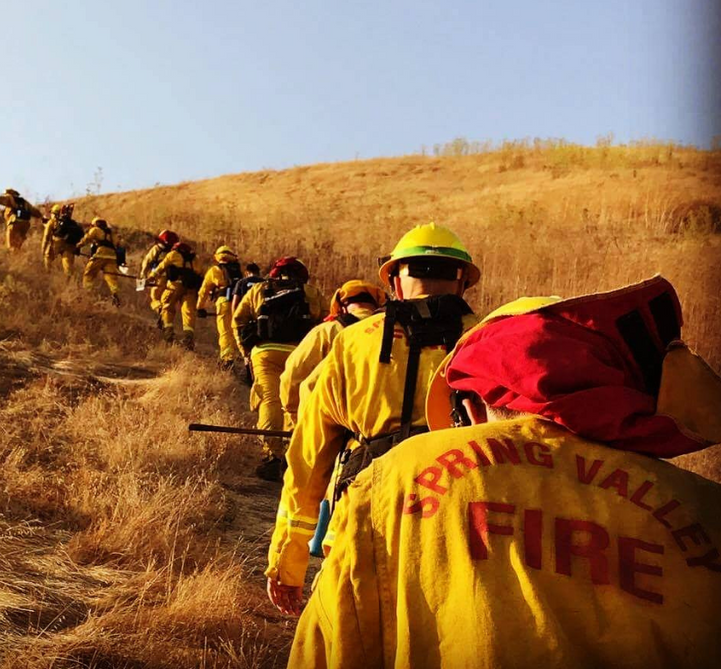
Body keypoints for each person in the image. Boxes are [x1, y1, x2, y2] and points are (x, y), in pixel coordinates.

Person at [285, 276, 721, 669]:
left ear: (471, 405)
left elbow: (331, 643)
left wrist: (285, 560)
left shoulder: (396, 477)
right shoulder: (704, 509)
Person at [267, 223, 480, 602]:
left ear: (396, 280)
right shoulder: (491, 341)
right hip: (462, 538)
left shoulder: (351, 343)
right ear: (462, 280)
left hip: (362, 529)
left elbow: (308, 462)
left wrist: (289, 560)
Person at [233, 256, 328, 481]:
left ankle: (271, 456)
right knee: (294, 402)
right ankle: (291, 453)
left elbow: (238, 318)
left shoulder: (258, 290)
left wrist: (245, 352)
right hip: (299, 353)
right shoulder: (311, 292)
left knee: (269, 400)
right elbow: (325, 321)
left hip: (264, 352)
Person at [279, 280, 387, 430]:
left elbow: (292, 378)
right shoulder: (394, 332)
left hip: (327, 428)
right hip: (382, 427)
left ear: (341, 306)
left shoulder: (326, 332)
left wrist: (295, 419)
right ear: (376, 304)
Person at [149, 240, 203, 348]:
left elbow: (161, 267)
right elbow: (200, 273)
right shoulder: (195, 259)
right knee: (188, 313)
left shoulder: (173, 254)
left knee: (167, 307)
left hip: (174, 287)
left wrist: (151, 277)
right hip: (190, 289)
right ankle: (188, 338)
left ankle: (168, 333)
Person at [196, 245, 244, 368]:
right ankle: (242, 356)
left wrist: (199, 307)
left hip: (224, 302)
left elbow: (204, 290)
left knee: (225, 331)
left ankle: (227, 359)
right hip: (238, 303)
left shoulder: (214, 270)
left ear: (217, 257)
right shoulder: (239, 270)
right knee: (236, 329)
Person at [76, 217, 121, 305]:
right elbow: (117, 244)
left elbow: (87, 239)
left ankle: (86, 293)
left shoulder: (95, 230)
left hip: (100, 254)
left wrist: (77, 247)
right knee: (111, 278)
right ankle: (115, 294)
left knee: (89, 274)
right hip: (112, 257)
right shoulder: (111, 234)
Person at [140, 230, 179, 326]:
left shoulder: (157, 249)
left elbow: (147, 260)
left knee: (155, 298)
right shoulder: (176, 253)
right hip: (173, 280)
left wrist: (143, 274)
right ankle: (165, 320)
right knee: (167, 301)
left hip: (159, 277)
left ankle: (161, 310)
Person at [42, 203, 82, 277]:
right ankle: (69, 284)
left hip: (56, 244)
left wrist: (43, 250)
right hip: (70, 246)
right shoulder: (72, 223)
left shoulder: (52, 222)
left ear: (54, 213)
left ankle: (48, 274)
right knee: (68, 268)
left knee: (48, 257)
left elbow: (46, 236)